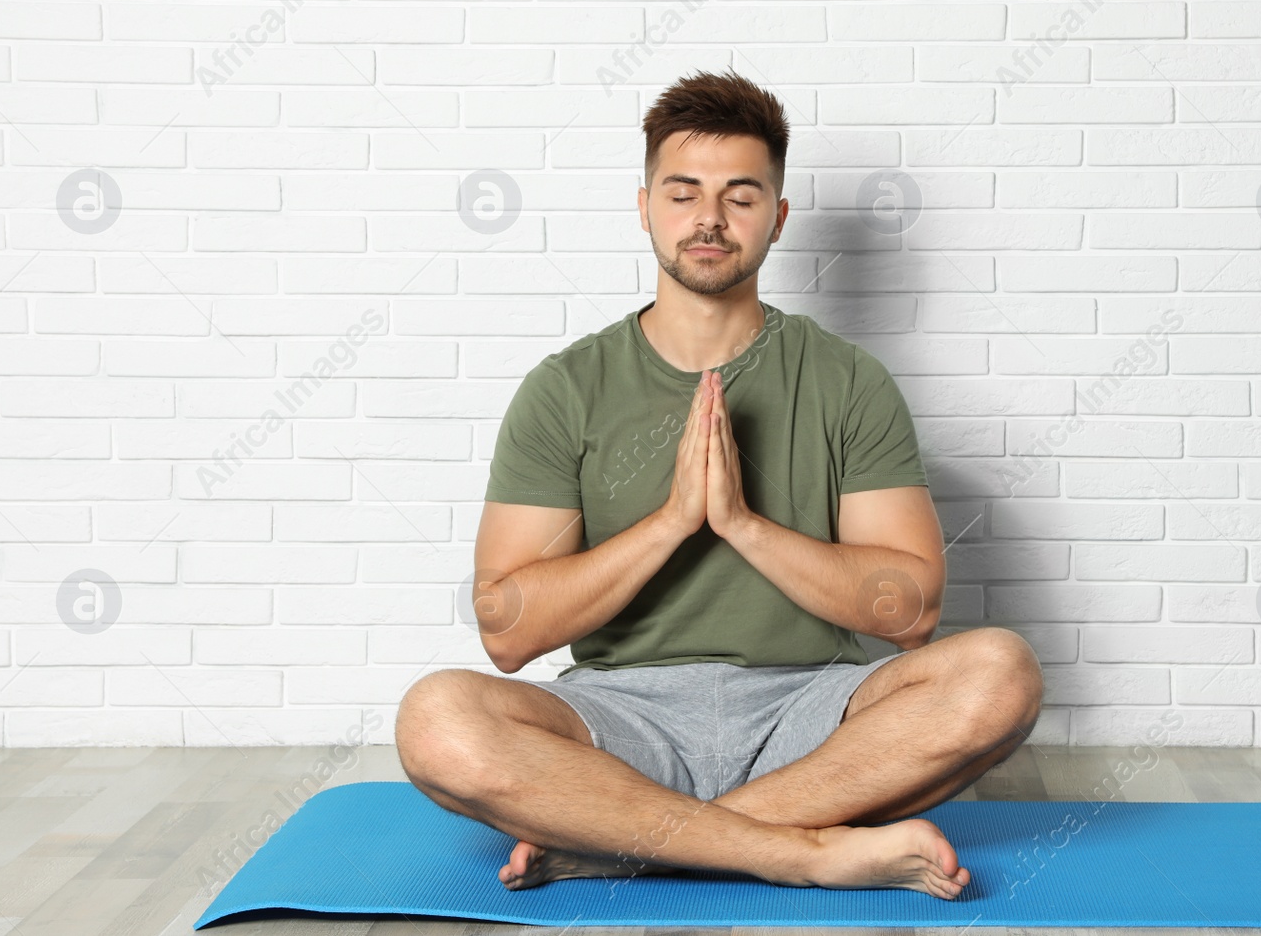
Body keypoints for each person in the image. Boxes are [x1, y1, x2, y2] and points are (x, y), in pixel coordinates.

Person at [396, 69, 1043, 901]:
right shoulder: (565, 387)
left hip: (812, 713)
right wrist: (671, 522)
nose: (709, 217)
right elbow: (508, 632)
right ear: (645, 208)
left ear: (776, 217)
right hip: (619, 718)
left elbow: (909, 612)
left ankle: (629, 840)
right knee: (435, 717)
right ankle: (798, 850)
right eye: (684, 192)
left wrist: (742, 523)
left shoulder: (848, 381)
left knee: (1002, 671)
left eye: (740, 195)